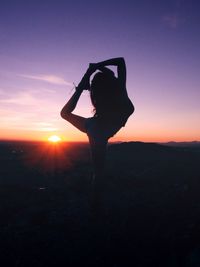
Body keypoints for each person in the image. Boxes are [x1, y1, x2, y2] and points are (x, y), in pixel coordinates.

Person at [60, 57, 134, 184]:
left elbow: (65, 113)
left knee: (98, 172)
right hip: (106, 123)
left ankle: (96, 201)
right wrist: (95, 67)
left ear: (94, 94)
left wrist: (80, 88)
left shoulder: (94, 127)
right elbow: (120, 62)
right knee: (98, 172)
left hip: (99, 127)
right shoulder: (121, 96)